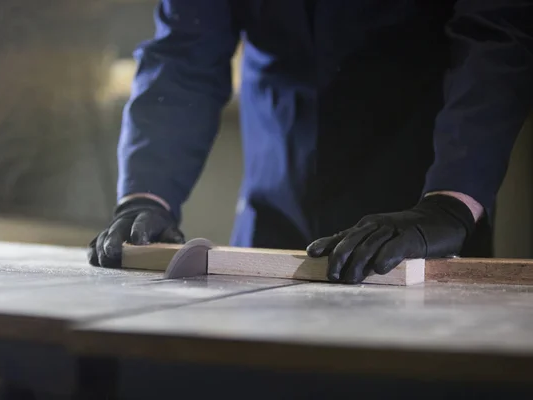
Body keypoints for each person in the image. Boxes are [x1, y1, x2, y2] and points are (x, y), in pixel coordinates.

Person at [88, 0, 533, 284]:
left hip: (421, 211)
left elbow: (496, 37)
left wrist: (452, 201)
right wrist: (146, 196)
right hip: (272, 208)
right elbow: (185, 51)